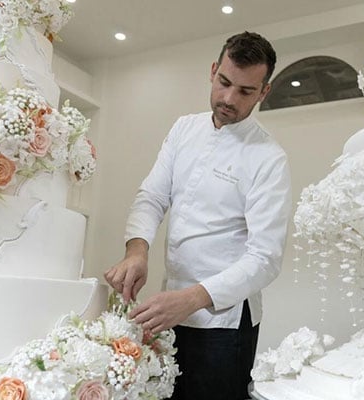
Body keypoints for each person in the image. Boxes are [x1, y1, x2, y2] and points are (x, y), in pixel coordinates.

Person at [104, 31, 291, 400]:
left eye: (245, 91)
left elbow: (265, 258)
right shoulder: (183, 129)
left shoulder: (269, 158)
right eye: (224, 82)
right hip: (168, 309)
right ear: (212, 71)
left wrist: (192, 299)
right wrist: (136, 251)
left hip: (224, 325)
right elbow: (152, 196)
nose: (228, 98)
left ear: (264, 92)